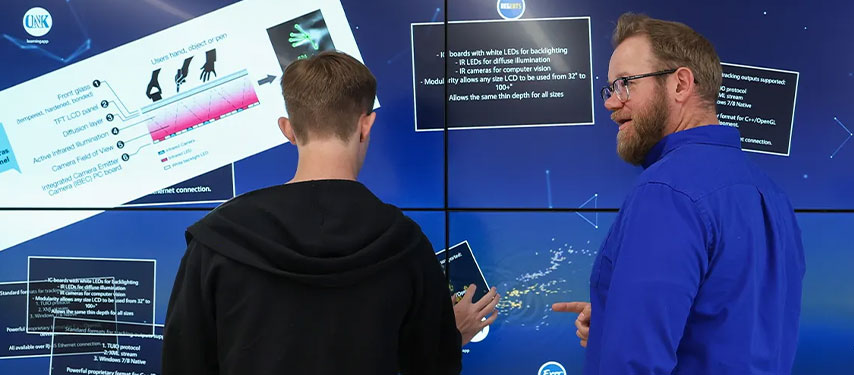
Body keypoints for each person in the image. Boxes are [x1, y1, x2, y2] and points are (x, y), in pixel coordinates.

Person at [161, 51, 499, 374]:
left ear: (288, 129)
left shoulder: (218, 240)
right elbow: (431, 366)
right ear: (366, 125)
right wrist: (447, 337)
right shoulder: (405, 243)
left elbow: (184, 364)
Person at [550, 13, 806, 374]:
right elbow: (732, 328)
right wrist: (618, 320)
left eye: (625, 84)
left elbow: (633, 366)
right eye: (610, 88)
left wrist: (625, 341)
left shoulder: (666, 191)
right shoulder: (773, 196)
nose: (610, 103)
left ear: (681, 84)